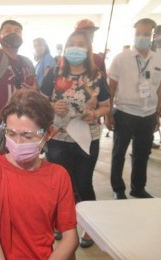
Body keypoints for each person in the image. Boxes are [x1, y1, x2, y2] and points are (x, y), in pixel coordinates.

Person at [0, 90, 78, 260]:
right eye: (10, 133)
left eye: (27, 135)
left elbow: (70, 237)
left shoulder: (58, 176)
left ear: (48, 133)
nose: (17, 142)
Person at [41, 30, 110, 248]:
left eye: (80, 44)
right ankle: (59, 223)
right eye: (71, 43)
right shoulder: (53, 73)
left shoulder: (97, 76)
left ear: (88, 49)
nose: (75, 48)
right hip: (58, 137)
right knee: (59, 185)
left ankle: (90, 229)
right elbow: (40, 102)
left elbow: (106, 106)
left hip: (86, 138)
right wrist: (51, 106)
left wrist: (95, 114)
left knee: (83, 183)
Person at [105, 18, 161, 200]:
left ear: (152, 35)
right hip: (124, 112)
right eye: (139, 34)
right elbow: (110, 89)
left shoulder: (158, 59)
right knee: (119, 152)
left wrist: (158, 115)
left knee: (142, 153)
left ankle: (138, 187)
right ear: (134, 34)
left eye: (146, 34)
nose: (142, 37)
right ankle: (118, 189)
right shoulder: (122, 58)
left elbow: (159, 89)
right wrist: (108, 114)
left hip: (148, 113)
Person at [0, 0, 37, 153]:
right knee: (3, 167)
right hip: (0, 126)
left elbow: (35, 88)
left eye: (17, 31)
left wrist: (34, 91)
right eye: (7, 30)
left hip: (27, 123)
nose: (13, 33)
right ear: (0, 37)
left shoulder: (27, 62)